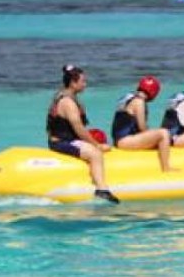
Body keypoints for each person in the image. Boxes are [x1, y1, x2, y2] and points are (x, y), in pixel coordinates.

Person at [46, 64, 118, 203]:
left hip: (66, 139)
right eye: (82, 81)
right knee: (95, 154)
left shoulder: (66, 96)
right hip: (61, 142)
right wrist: (97, 146)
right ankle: (102, 190)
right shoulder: (68, 102)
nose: (85, 84)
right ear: (73, 83)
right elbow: (79, 128)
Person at [111, 75, 175, 172]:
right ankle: (166, 168)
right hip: (126, 141)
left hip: (119, 140)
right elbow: (142, 127)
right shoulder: (139, 102)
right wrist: (153, 134)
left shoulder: (129, 97)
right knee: (164, 133)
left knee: (158, 134)